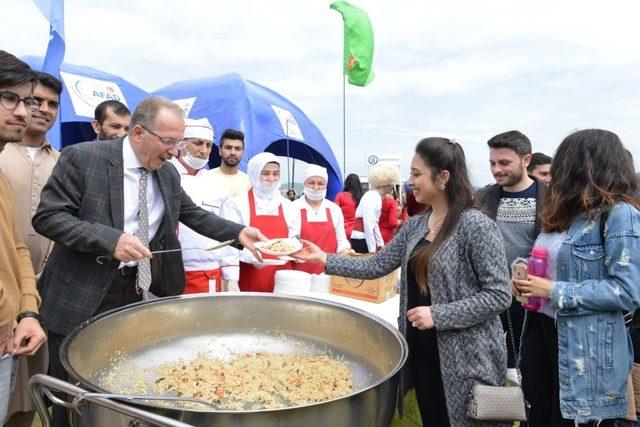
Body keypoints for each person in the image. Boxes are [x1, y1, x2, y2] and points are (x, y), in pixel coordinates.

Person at [32, 96, 266, 426]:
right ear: (139, 133)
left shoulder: (167, 175)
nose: (175, 151)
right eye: (169, 141)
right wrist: (110, 240)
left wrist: (239, 233)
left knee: (118, 388)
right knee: (71, 396)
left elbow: (192, 214)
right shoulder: (84, 159)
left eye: (179, 142)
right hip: (79, 296)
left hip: (133, 295)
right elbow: (49, 217)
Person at [295, 137, 511, 426]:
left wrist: (438, 314)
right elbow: (378, 265)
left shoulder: (476, 226)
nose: (410, 181)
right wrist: (324, 259)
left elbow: (498, 295)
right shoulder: (416, 225)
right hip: (423, 349)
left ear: (443, 177)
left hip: (465, 357)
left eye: (416, 174)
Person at [513, 129, 640, 426]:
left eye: (563, 162)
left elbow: (627, 291)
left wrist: (554, 290)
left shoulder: (620, 214)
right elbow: (551, 264)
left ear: (581, 166)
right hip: (541, 330)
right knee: (541, 417)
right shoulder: (564, 213)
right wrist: (523, 273)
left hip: (584, 347)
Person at [0, 70, 61, 427]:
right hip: (10, 303)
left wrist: (27, 307)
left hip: (34, 299)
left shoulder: (64, 160)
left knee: (28, 391)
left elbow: (18, 245)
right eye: (19, 99)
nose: (31, 111)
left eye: (50, 104)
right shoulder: (6, 156)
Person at [476, 130, 546, 373]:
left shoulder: (551, 200)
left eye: (504, 162)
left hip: (529, 297)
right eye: (492, 163)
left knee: (524, 364)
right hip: (489, 291)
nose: (496, 169)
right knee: (485, 359)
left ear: (526, 161)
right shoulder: (482, 198)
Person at [169, 118, 232, 294]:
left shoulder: (217, 185)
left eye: (208, 145)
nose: (203, 150)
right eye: (197, 143)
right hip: (169, 271)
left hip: (208, 273)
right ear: (181, 144)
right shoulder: (163, 175)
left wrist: (231, 276)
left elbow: (227, 232)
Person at [222, 152, 295, 292]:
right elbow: (231, 242)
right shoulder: (238, 203)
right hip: (249, 272)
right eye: (265, 173)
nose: (271, 179)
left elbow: (293, 238)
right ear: (254, 174)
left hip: (283, 276)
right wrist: (247, 258)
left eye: (276, 174)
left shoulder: (288, 205)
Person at [289, 164, 351, 274]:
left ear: (326, 185)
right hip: (301, 271)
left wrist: (345, 251)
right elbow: (290, 239)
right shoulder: (293, 208)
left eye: (321, 183)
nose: (316, 187)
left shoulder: (334, 209)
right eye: (311, 182)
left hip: (330, 270)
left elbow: (341, 239)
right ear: (304, 183)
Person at [351, 166, 399, 253]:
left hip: (364, 238)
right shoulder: (372, 197)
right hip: (362, 239)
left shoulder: (375, 196)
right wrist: (372, 250)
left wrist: (380, 244)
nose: (393, 186)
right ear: (387, 183)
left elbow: (374, 224)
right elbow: (368, 225)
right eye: (392, 183)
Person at [207, 129, 250, 197]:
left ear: (243, 153)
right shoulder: (206, 178)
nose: (233, 152)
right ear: (220, 151)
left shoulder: (249, 182)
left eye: (237, 149)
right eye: (228, 148)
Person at [334, 173, 362, 240]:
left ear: (346, 183)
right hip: (358, 232)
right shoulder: (362, 197)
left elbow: (334, 214)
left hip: (344, 231)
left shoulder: (340, 196)